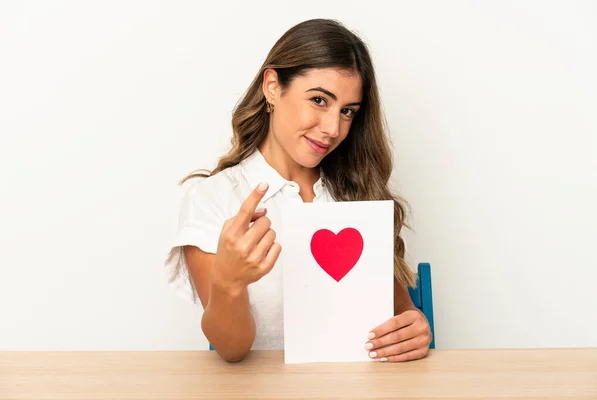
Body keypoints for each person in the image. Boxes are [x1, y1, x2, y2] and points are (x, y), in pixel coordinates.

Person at [165, 18, 432, 363]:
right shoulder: (213, 199)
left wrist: (415, 327)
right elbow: (232, 350)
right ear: (273, 87)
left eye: (348, 111)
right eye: (320, 100)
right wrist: (229, 283)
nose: (333, 128)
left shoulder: (357, 194)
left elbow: (400, 313)